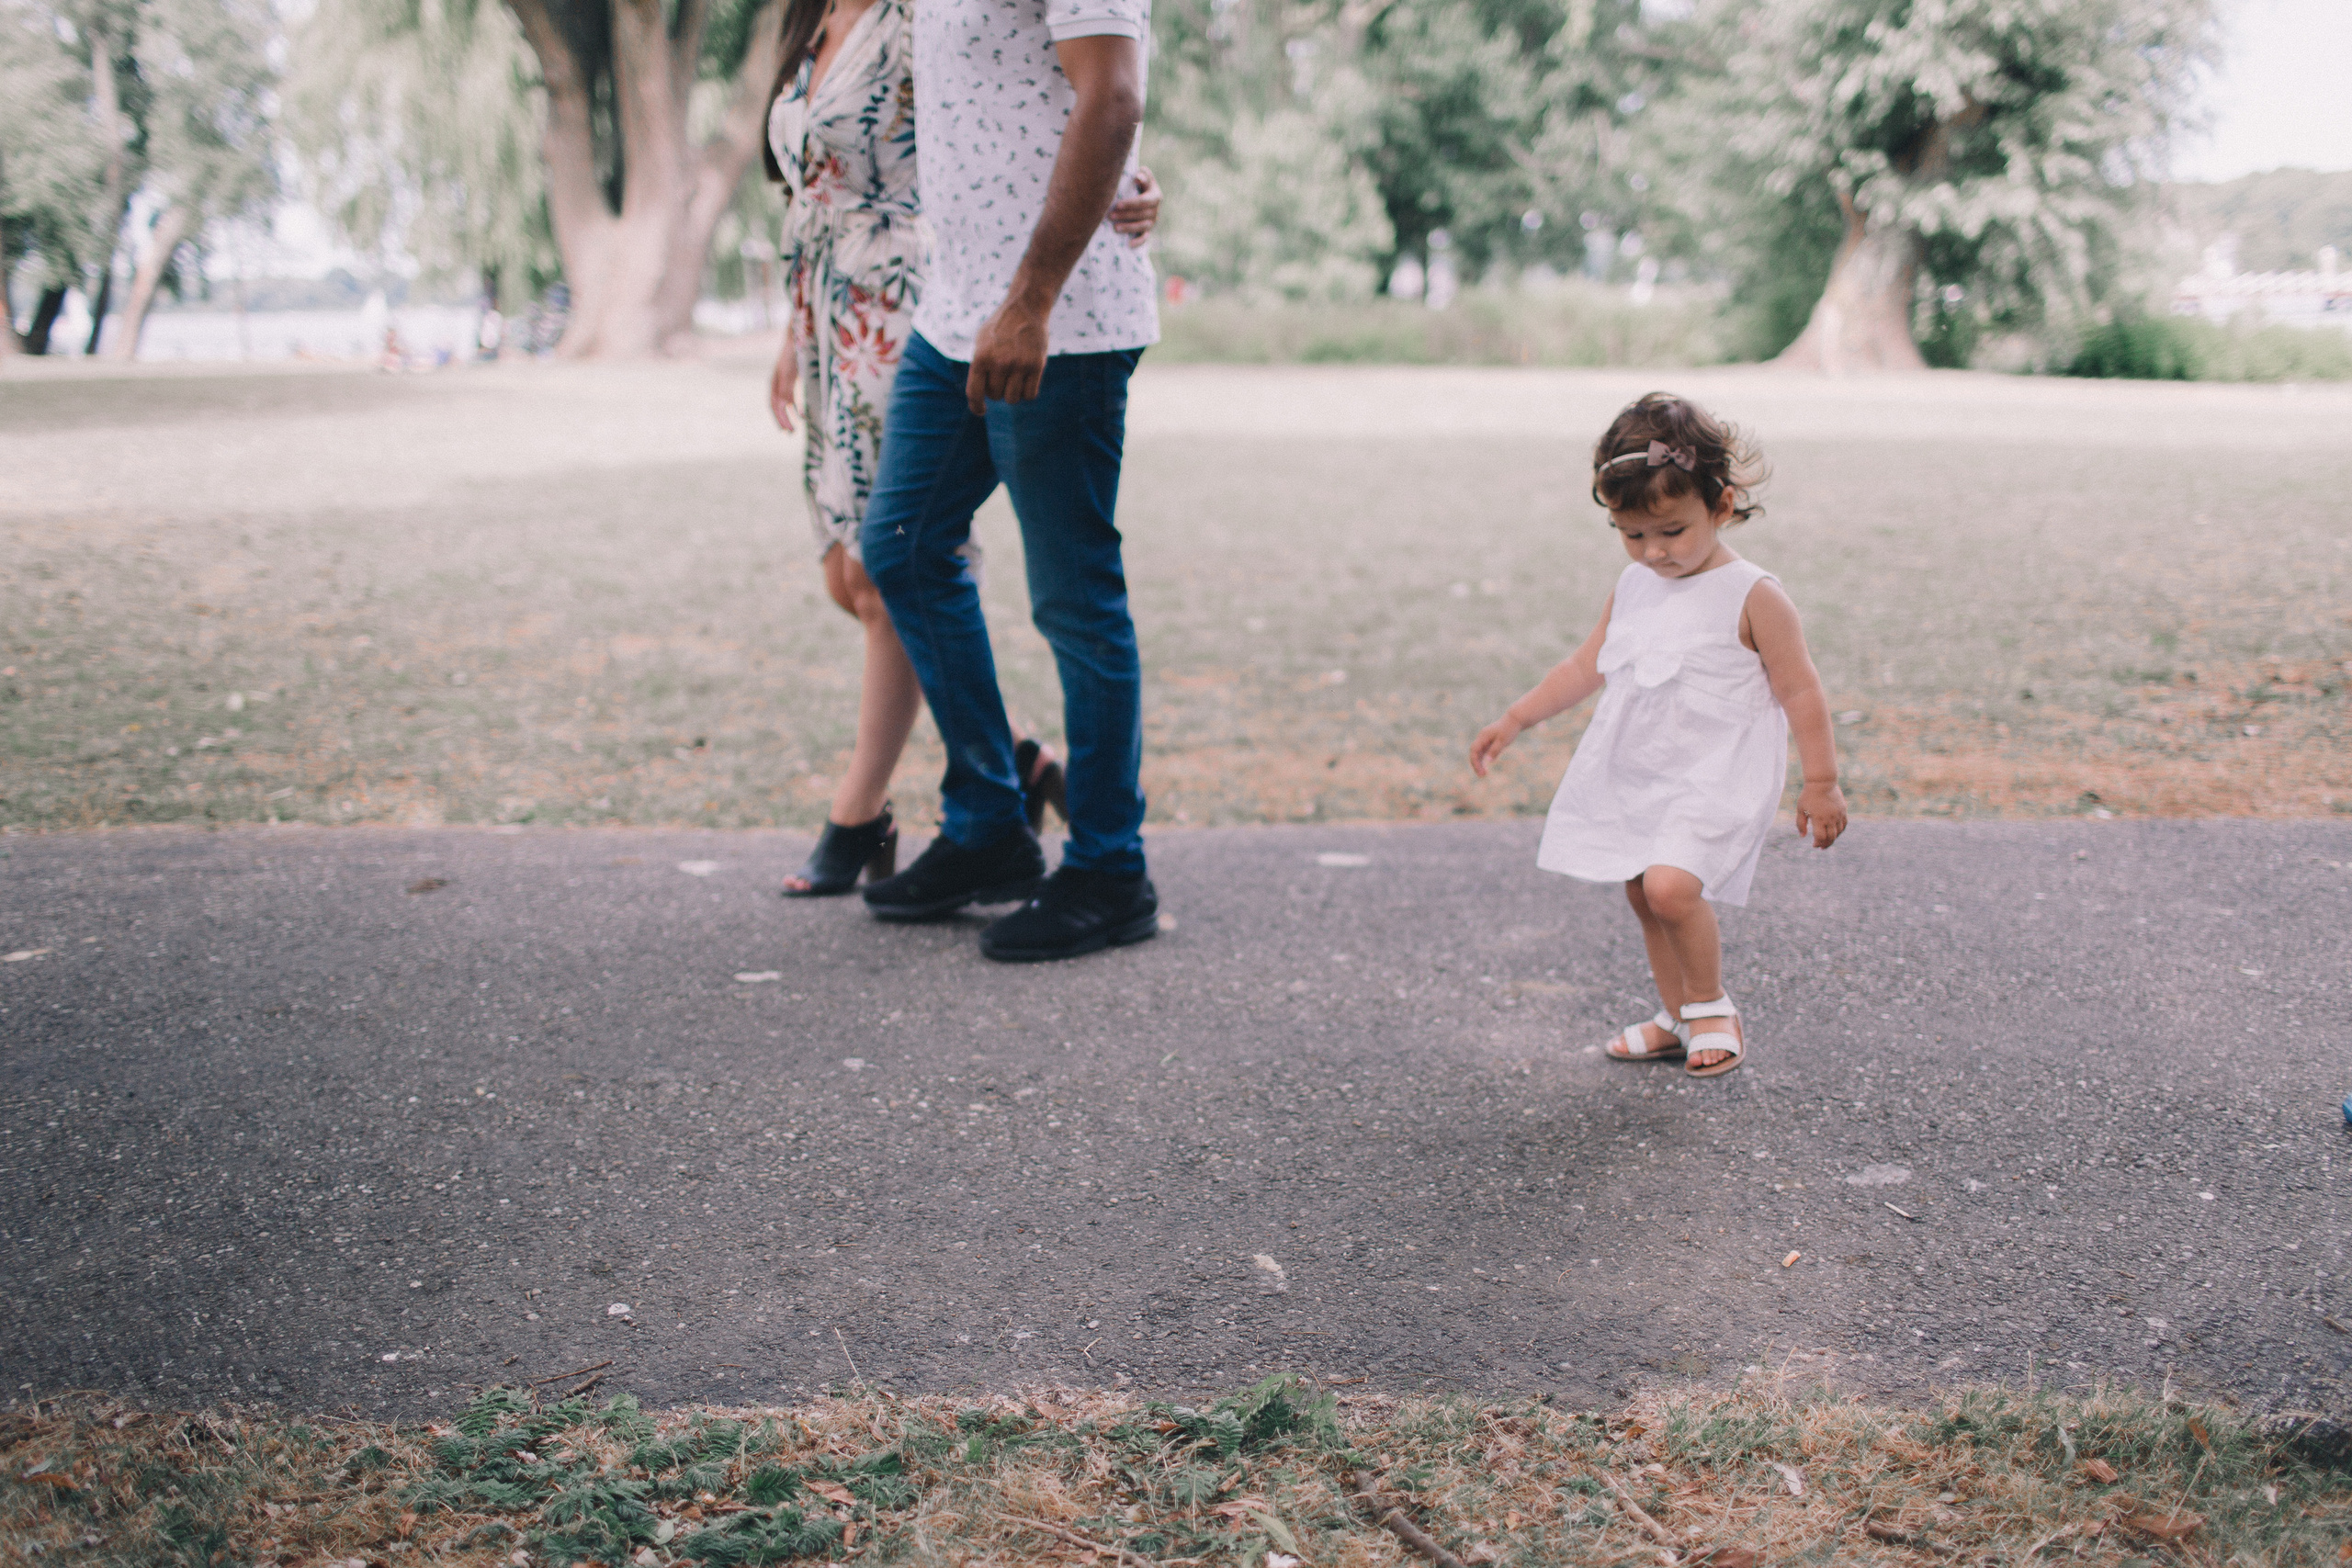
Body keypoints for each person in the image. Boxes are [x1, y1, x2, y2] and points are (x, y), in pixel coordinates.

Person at [761, 0, 1160, 896]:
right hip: (952, 311)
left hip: (1056, 318)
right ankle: (987, 820)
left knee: (1073, 599)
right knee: (898, 549)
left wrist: (1031, 301)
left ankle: (1108, 871)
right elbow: (1010, 95)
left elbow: (1113, 93)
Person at [1469, 393, 1848, 1077]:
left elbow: (1801, 689)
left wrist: (1820, 782)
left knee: (1673, 888)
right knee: (1642, 890)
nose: (1652, 551)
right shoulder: (1636, 584)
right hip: (1646, 767)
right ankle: (1677, 1017)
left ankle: (1712, 1007)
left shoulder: (1754, 594)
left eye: (1670, 531)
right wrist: (1517, 717)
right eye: (1632, 533)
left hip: (1716, 772)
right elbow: (1587, 664)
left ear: (1722, 506)